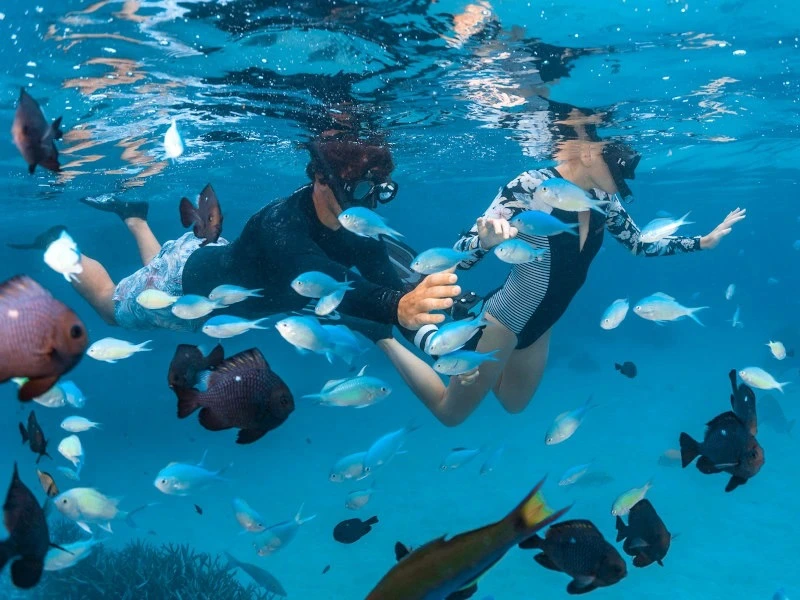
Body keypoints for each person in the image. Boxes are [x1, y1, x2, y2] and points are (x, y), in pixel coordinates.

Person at [375, 117, 746, 427]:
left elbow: (639, 244)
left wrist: (703, 241)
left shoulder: (604, 198)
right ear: (587, 151)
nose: (622, 175)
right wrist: (484, 242)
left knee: (514, 404)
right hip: (505, 320)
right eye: (615, 158)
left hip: (543, 324)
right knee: (450, 414)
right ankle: (385, 336)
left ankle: (463, 324)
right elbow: (460, 257)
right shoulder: (530, 187)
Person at [71, 137, 460, 337]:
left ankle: (135, 216)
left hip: (210, 258)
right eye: (358, 190)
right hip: (181, 287)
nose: (368, 203)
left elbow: (389, 290)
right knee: (110, 308)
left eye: (378, 191)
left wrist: (430, 325)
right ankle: (59, 252)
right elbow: (323, 278)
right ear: (321, 178)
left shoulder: (358, 224)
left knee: (151, 273)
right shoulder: (280, 226)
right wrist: (396, 306)